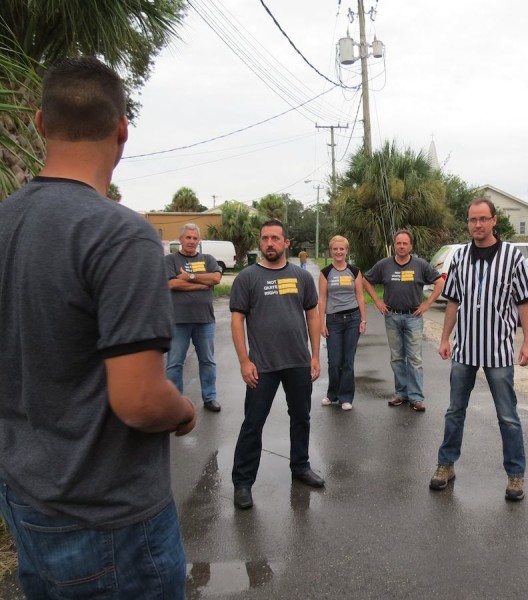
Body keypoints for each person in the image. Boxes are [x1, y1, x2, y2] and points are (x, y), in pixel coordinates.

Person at [0, 57, 196, 598]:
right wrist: (182, 411)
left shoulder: (7, 221)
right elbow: (139, 400)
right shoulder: (119, 234)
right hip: (110, 516)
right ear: (122, 129)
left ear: (40, 122)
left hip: (25, 496)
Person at [430, 198, 528, 501]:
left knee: (507, 415)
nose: (477, 225)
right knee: (454, 411)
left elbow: (524, 302)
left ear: (493, 221)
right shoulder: (460, 256)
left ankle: (515, 475)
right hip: (464, 349)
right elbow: (452, 300)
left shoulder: (513, 257)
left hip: (498, 350)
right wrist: (445, 337)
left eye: (482, 219)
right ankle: (445, 465)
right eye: (472, 220)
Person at [230, 219, 324, 510]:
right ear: (261, 243)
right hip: (263, 365)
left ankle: (300, 466)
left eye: (275, 238)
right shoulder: (246, 278)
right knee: (253, 424)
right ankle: (243, 483)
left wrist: (315, 356)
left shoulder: (301, 277)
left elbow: (312, 315)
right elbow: (237, 320)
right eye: (265, 238)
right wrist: (245, 361)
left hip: (298, 362)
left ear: (287, 243)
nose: (269, 243)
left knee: (302, 417)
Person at [363, 229, 444, 412]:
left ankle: (416, 397)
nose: (401, 246)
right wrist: (377, 301)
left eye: (404, 243)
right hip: (392, 316)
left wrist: (427, 304)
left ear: (411, 246)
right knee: (397, 357)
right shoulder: (384, 265)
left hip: (413, 317)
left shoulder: (420, 265)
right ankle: (400, 393)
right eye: (398, 243)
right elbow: (365, 280)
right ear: (394, 245)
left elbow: (439, 282)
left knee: (414, 358)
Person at [165, 223, 223, 412]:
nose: (191, 241)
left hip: (204, 320)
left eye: (194, 238)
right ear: (181, 239)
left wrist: (189, 277)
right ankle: (175, 402)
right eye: (188, 237)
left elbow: (215, 279)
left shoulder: (208, 259)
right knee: (174, 364)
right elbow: (172, 284)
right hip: (178, 321)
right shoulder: (170, 260)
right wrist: (201, 283)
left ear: (199, 241)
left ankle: (210, 397)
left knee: (207, 361)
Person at [318, 235, 367, 411]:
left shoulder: (354, 271)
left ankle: (346, 397)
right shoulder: (325, 273)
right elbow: (322, 299)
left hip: (353, 319)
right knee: (334, 360)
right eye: (335, 249)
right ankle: (332, 394)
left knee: (348, 361)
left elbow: (360, 296)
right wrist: (321, 323)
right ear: (331, 251)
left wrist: (363, 319)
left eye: (342, 249)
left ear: (346, 251)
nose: (338, 252)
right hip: (334, 321)